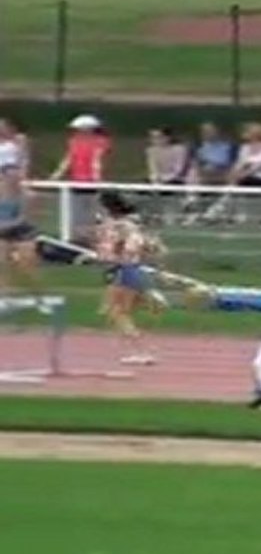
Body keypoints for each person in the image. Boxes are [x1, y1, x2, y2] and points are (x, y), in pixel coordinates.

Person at [95, 190, 164, 366]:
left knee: (117, 313)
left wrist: (106, 255)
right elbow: (148, 246)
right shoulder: (130, 225)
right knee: (121, 311)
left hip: (121, 270)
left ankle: (141, 351)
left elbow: (113, 251)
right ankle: (140, 347)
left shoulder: (112, 227)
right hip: (131, 269)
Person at [50, 115, 111, 243]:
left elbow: (97, 160)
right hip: (76, 181)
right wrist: (57, 175)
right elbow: (69, 159)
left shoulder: (101, 141)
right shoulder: (74, 141)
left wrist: (97, 178)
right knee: (77, 209)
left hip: (91, 182)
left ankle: (99, 237)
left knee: (95, 210)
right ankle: (78, 237)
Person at [183, 122, 237, 225]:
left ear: (217, 132)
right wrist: (202, 172)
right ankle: (192, 212)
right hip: (203, 176)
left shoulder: (227, 147)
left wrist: (218, 171)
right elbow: (196, 163)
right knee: (192, 179)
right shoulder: (198, 148)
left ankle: (213, 213)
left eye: (210, 131)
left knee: (231, 183)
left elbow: (229, 164)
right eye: (204, 132)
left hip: (222, 174)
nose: (207, 134)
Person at [0, 165, 40, 294]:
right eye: (10, 177)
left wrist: (6, 225)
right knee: (2, 261)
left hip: (22, 229)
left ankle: (37, 292)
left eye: (16, 177)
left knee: (27, 262)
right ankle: (4, 291)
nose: (13, 180)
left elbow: (24, 218)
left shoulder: (27, 195)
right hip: (2, 229)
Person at [144, 128, 191, 224]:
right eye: (152, 137)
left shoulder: (180, 149)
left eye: (158, 137)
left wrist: (164, 179)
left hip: (177, 180)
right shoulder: (150, 150)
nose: (155, 140)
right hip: (158, 181)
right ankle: (149, 216)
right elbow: (152, 168)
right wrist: (155, 179)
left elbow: (179, 170)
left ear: (167, 138)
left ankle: (174, 216)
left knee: (168, 191)